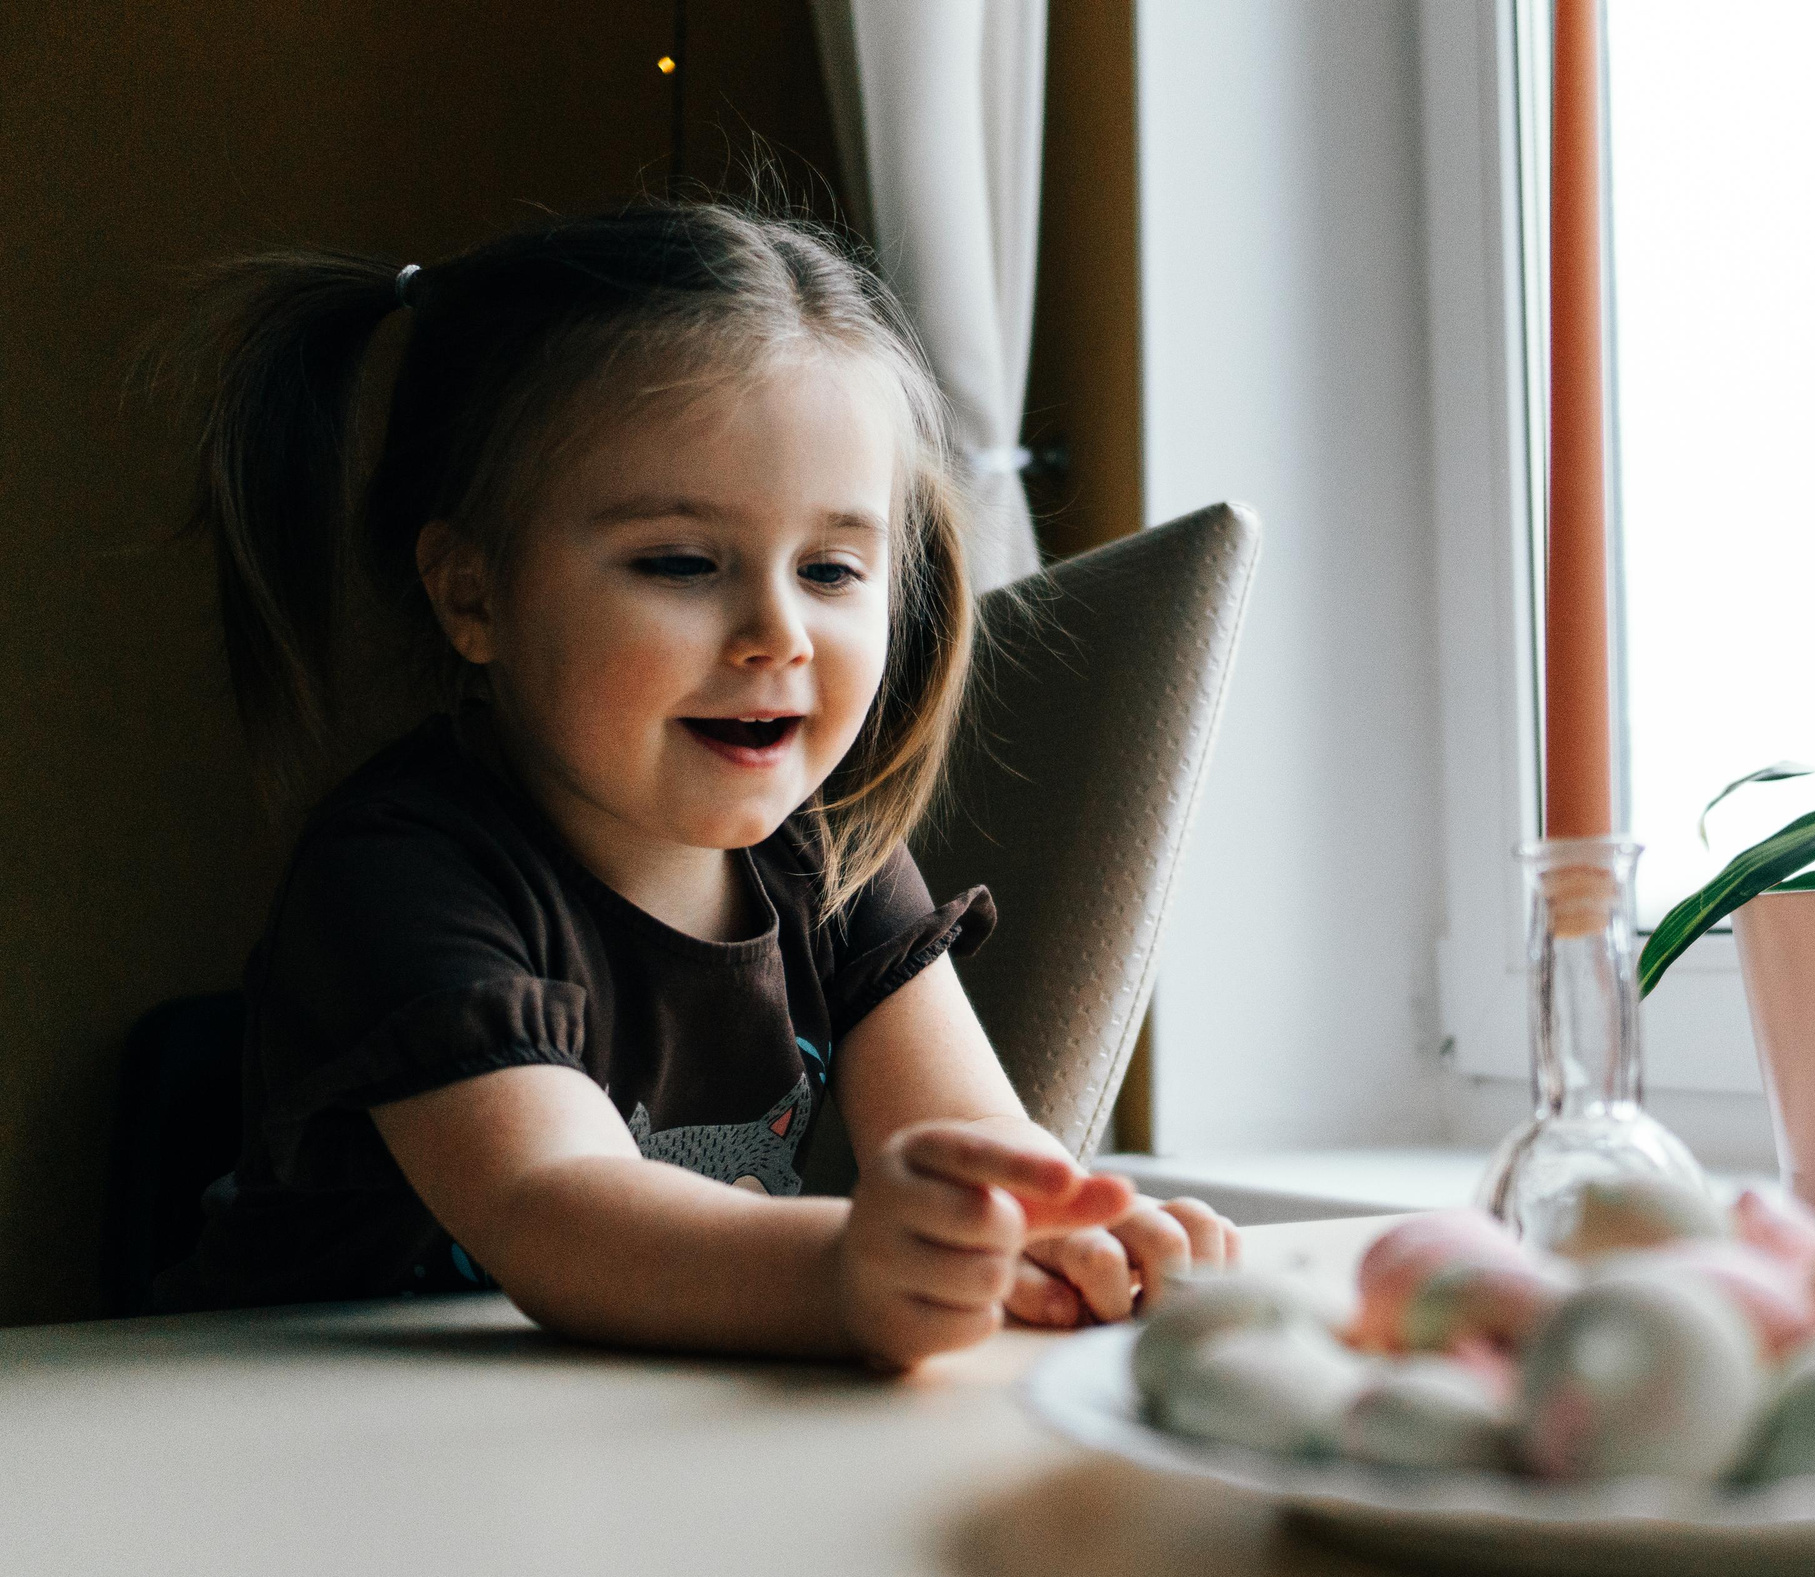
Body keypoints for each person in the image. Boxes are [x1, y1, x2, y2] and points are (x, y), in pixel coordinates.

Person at [152, 198, 1237, 1368]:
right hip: (293, 1445)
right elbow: (556, 1206)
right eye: (680, 562)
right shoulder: (398, 870)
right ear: (472, 595)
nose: (779, 633)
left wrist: (1073, 1232)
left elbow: (971, 1136)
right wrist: (843, 1269)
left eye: (831, 567)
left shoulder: (829, 858)